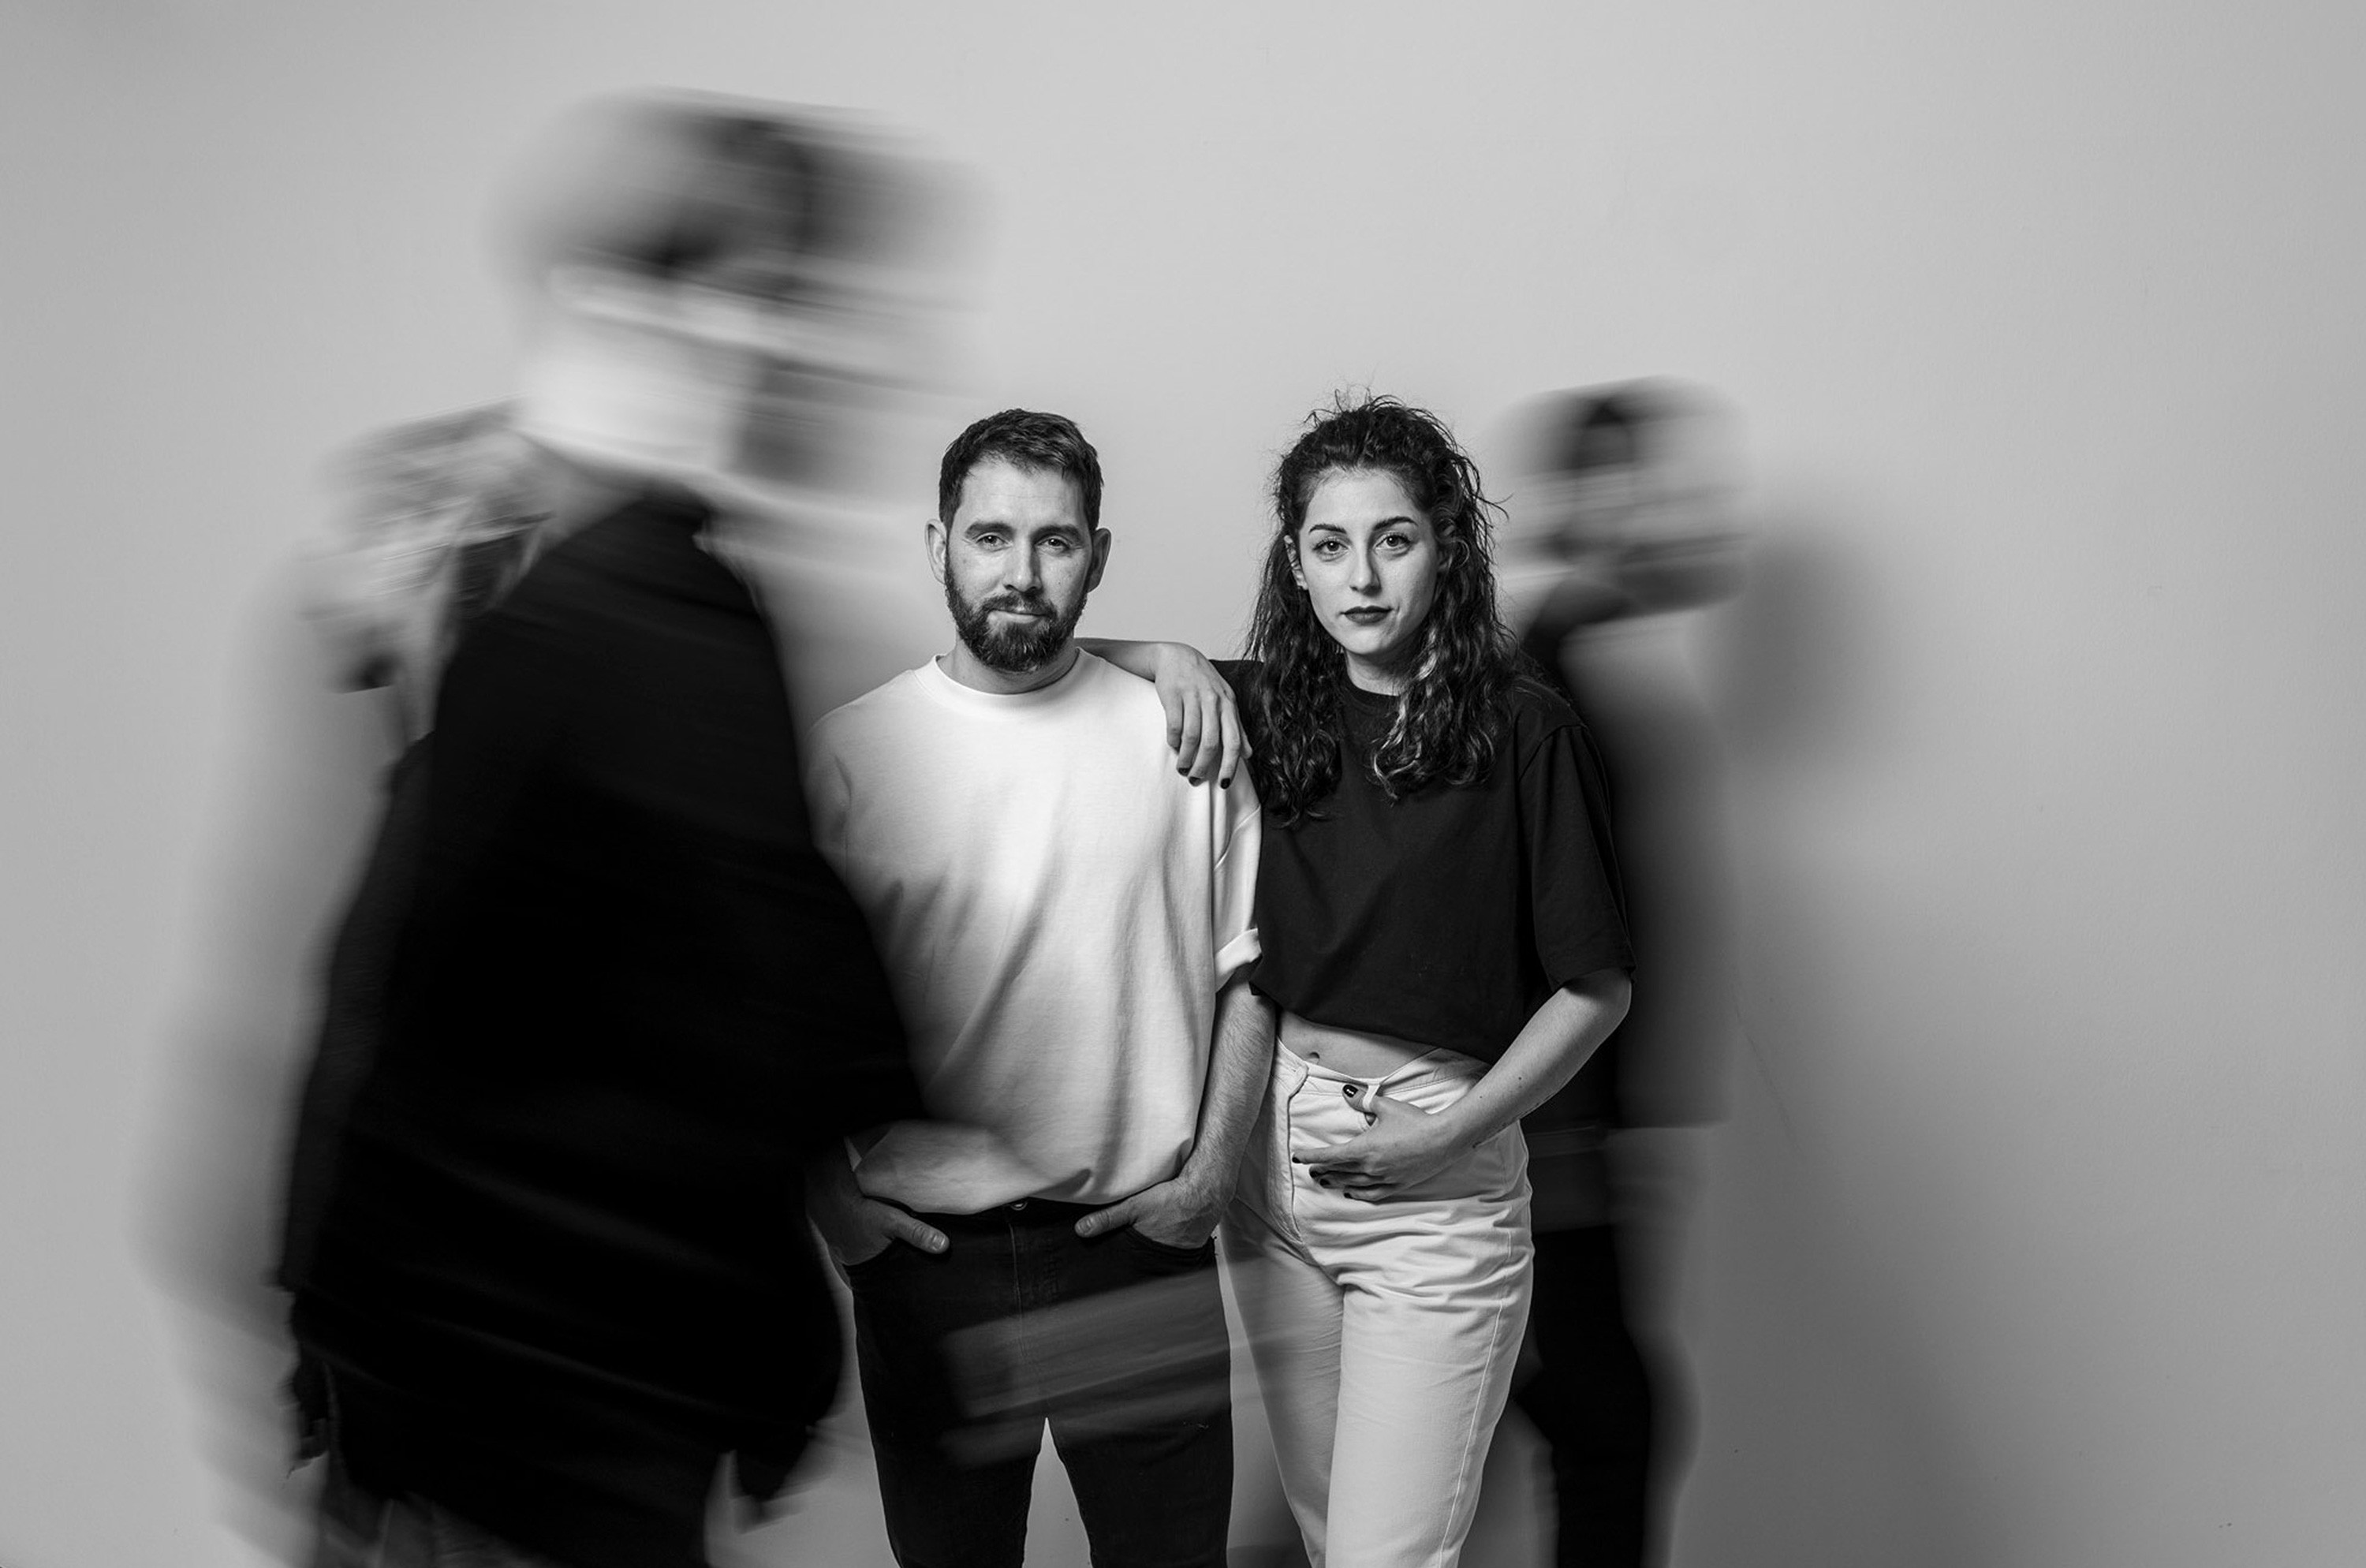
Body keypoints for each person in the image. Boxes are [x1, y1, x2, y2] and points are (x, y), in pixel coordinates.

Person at [277, 95, 937, 1568]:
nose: (835, 350)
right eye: (782, 295)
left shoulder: (654, 607)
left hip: (531, 1425)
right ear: (638, 307)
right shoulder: (596, 616)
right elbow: (388, 994)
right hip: (512, 1434)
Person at [802, 408, 1271, 1568]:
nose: (1021, 572)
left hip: (1133, 1245)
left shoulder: (1184, 734)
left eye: (1056, 543)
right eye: (991, 536)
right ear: (938, 545)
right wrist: (832, 1205)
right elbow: (770, 1012)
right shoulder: (848, 758)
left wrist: (1211, 1174)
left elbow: (1253, 970)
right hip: (930, 1266)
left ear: (1098, 559)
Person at [1218, 395, 1634, 1568]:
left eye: (1392, 540)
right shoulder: (1271, 712)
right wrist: (1158, 660)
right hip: (1275, 1179)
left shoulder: (1527, 733)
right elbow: (1059, 665)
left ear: (1446, 546)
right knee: (1326, 1540)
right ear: (1294, 563)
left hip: (1435, 1192)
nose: (1361, 577)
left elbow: (1595, 990)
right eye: (1329, 545)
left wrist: (1444, 1136)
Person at [1510, 383, 1744, 1568]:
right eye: (1612, 484)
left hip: (1584, 1146)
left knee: (1586, 1422)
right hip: (1552, 1153)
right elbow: (1534, 941)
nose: (1644, 511)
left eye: (1650, 481)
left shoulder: (1587, 669)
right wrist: (1572, 1153)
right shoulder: (1543, 688)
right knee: (1606, 1427)